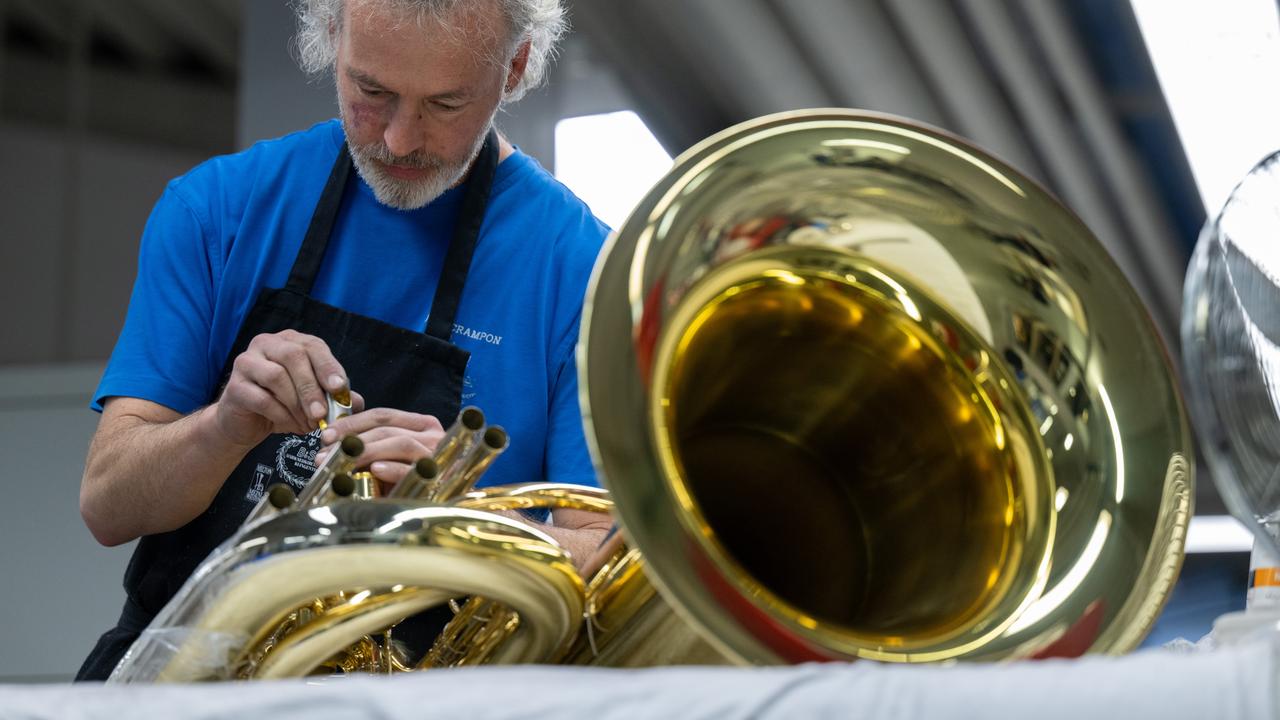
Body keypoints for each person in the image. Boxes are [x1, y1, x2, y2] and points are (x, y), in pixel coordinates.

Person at [75, 0, 613, 681]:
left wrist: (453, 520)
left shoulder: (583, 269)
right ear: (332, 39)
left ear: (515, 67)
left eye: (446, 104)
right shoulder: (218, 207)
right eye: (371, 91)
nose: (397, 139)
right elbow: (109, 505)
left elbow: (612, 566)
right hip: (183, 691)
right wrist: (224, 427)